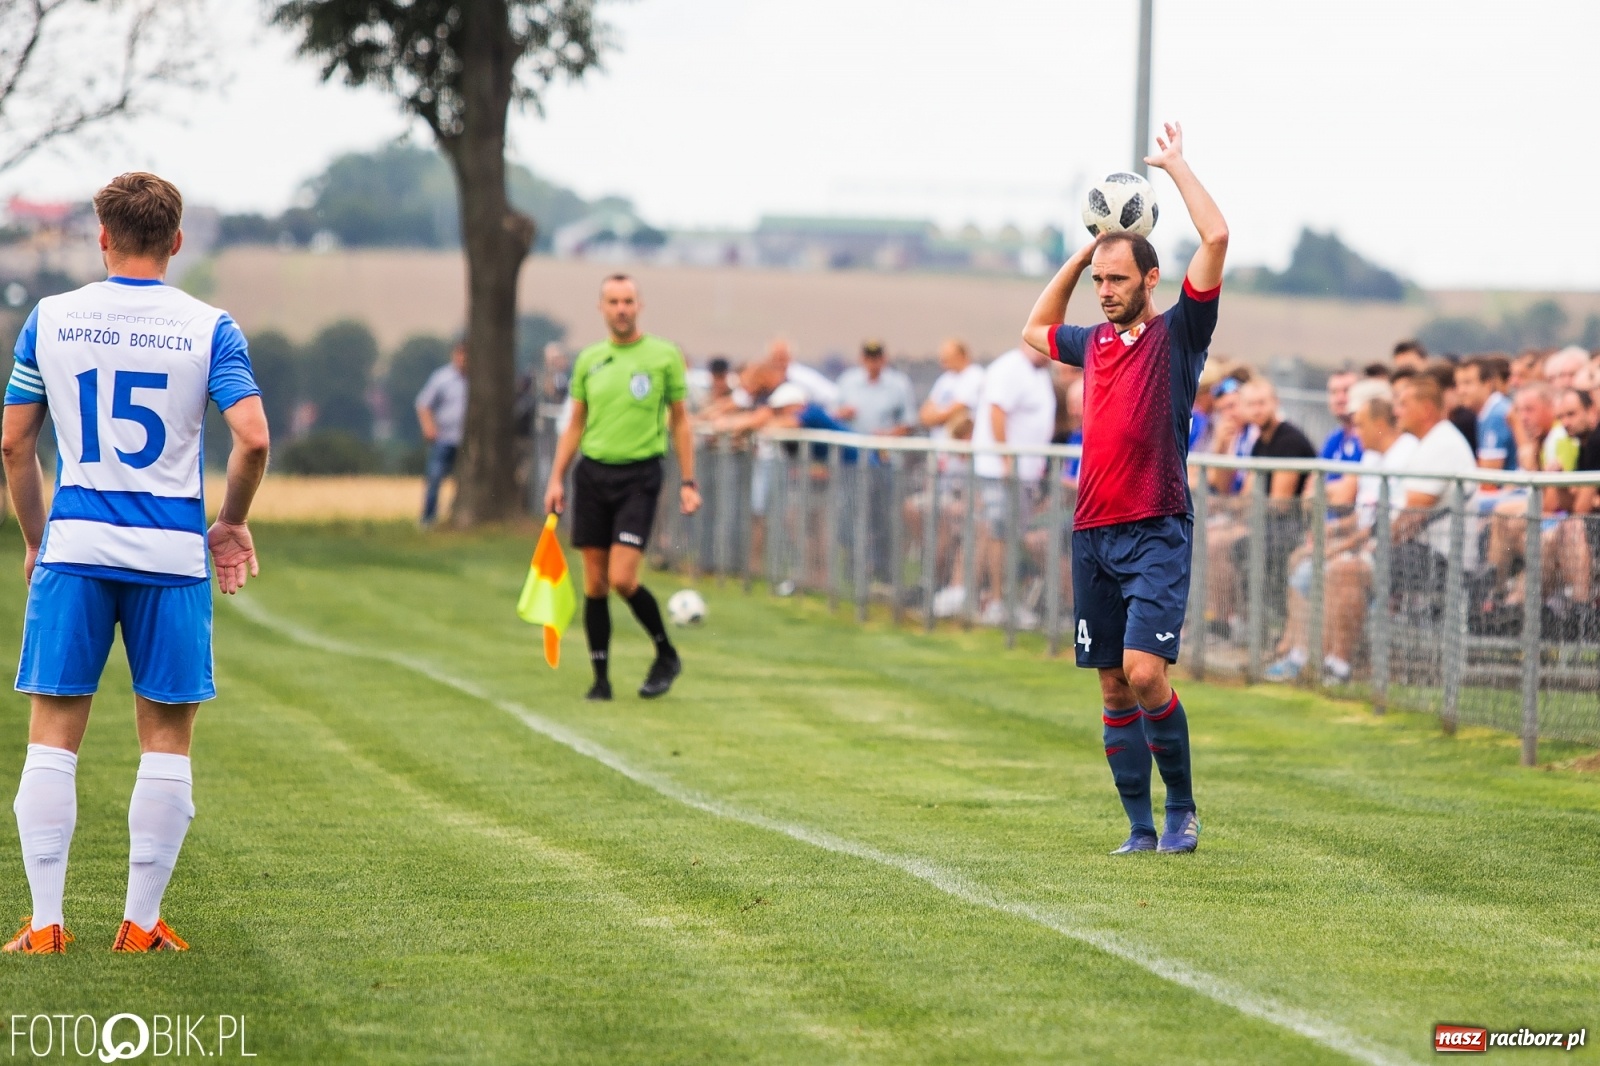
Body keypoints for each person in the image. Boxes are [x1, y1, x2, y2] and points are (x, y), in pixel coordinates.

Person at [0, 172, 269, 953]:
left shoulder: (51, 318)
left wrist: (33, 538)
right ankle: (141, 924)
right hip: (171, 553)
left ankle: (47, 924)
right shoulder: (211, 327)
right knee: (166, 740)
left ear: (103, 238)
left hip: (76, 548)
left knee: (52, 735)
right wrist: (232, 523)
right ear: (178, 242)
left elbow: (15, 442)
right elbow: (252, 438)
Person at [1022, 120, 1227, 855]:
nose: (1105, 292)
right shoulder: (1093, 343)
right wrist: (1083, 254)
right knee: (1112, 688)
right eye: (1100, 280)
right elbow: (1032, 329)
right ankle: (1139, 830)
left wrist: (1175, 168)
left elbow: (1217, 239)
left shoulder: (1178, 336)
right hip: (1093, 535)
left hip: (1157, 527)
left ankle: (1184, 809)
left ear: (1151, 281)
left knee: (1145, 674)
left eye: (1118, 279)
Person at [544, 275, 702, 702]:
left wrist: (688, 481)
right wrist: (557, 477)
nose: (621, 309)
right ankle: (601, 680)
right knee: (594, 583)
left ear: (640, 305)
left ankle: (666, 654)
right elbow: (575, 422)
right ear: (601, 308)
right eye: (613, 301)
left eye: (628, 301)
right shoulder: (590, 360)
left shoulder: (663, 355)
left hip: (639, 477)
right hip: (592, 476)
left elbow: (681, 420)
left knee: (621, 578)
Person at [1323, 374, 1475, 682]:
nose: (1397, 411)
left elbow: (1412, 515)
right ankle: (1327, 658)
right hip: (1421, 550)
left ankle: (1338, 665)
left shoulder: (1442, 442)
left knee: (1348, 570)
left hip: (1442, 558)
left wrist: (1373, 547)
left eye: (1404, 404)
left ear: (1427, 409)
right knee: (1341, 568)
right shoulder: (1428, 442)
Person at [970, 346, 1056, 624]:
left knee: (1008, 535)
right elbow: (997, 411)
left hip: (1025, 472)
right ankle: (996, 601)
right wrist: (1006, 458)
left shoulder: (1039, 372)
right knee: (999, 534)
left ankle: (996, 598)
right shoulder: (1010, 368)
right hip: (1002, 471)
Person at [415, 341, 467, 527]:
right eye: (460, 354)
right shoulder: (441, 378)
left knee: (465, 482)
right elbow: (423, 404)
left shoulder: (478, 381)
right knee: (435, 477)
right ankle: (428, 519)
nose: (463, 359)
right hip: (444, 438)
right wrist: (429, 427)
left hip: (467, 442)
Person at [834, 340, 915, 436]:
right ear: (862, 359)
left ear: (884, 359)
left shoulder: (899, 383)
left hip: (885, 447)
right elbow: (833, 413)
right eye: (869, 359)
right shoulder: (847, 381)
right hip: (852, 445)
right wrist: (843, 413)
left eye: (876, 358)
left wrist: (888, 434)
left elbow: (909, 421)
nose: (872, 363)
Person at [1454, 354, 1515, 471]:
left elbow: (1490, 475)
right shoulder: (1486, 413)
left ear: (1487, 384)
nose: (1461, 391)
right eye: (1458, 384)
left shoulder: (1496, 415)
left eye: (1467, 383)